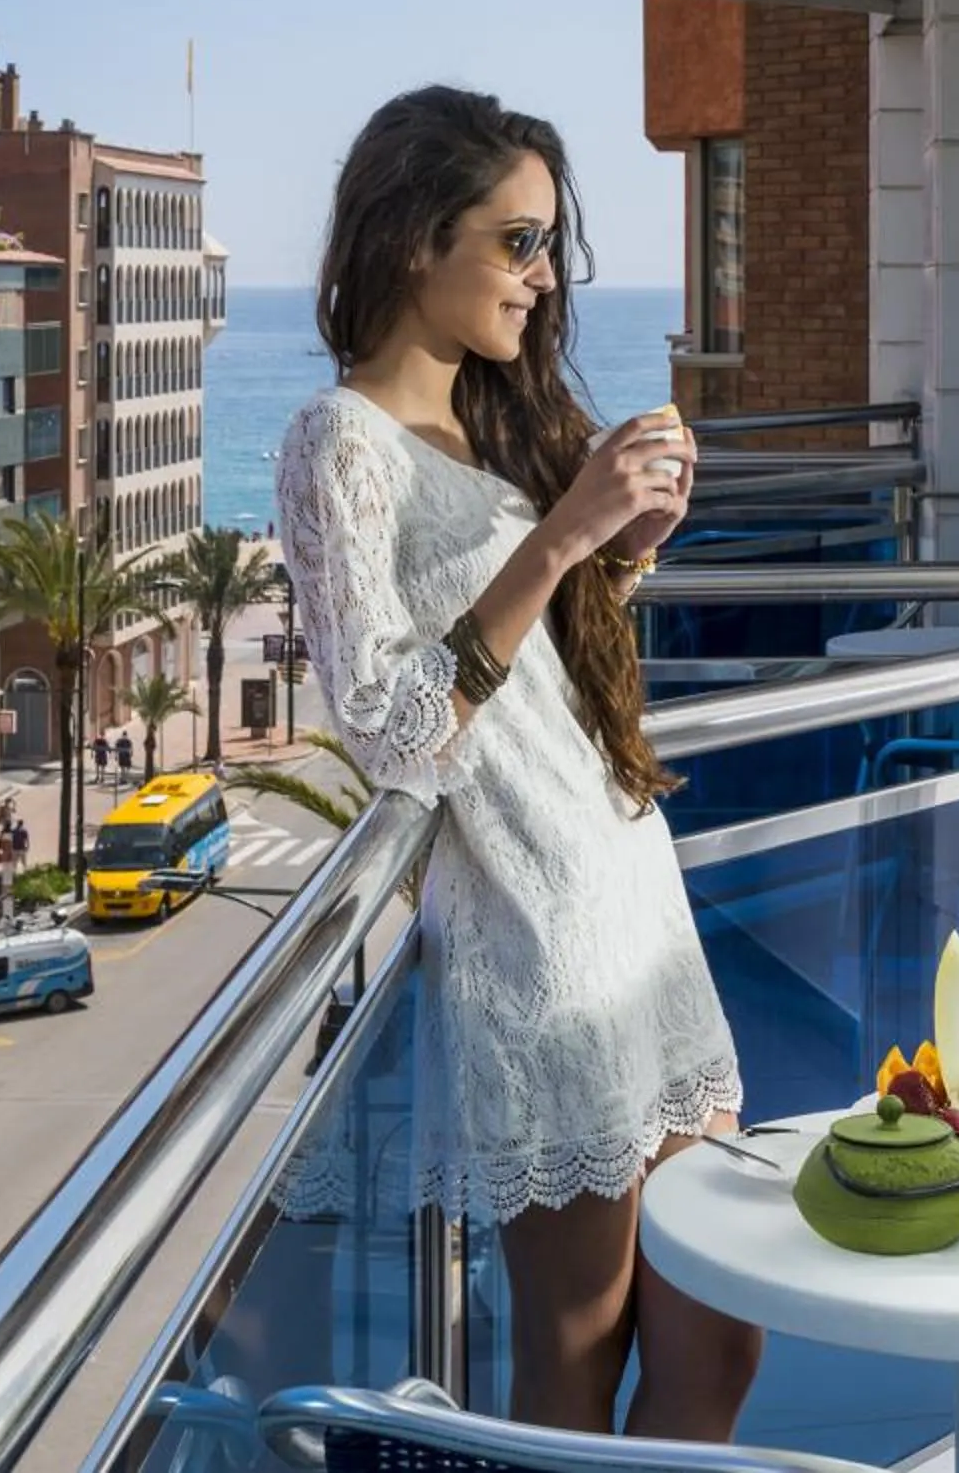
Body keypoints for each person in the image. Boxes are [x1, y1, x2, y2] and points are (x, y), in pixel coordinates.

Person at [275, 85, 755, 1439]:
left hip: (633, 908)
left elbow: (532, 681)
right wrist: (561, 538)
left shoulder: (491, 422)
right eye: (518, 241)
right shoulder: (337, 440)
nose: (543, 279)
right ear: (414, 236)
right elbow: (392, 731)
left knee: (719, 1341)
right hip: (536, 947)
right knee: (575, 1357)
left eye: (549, 246)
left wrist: (623, 553)